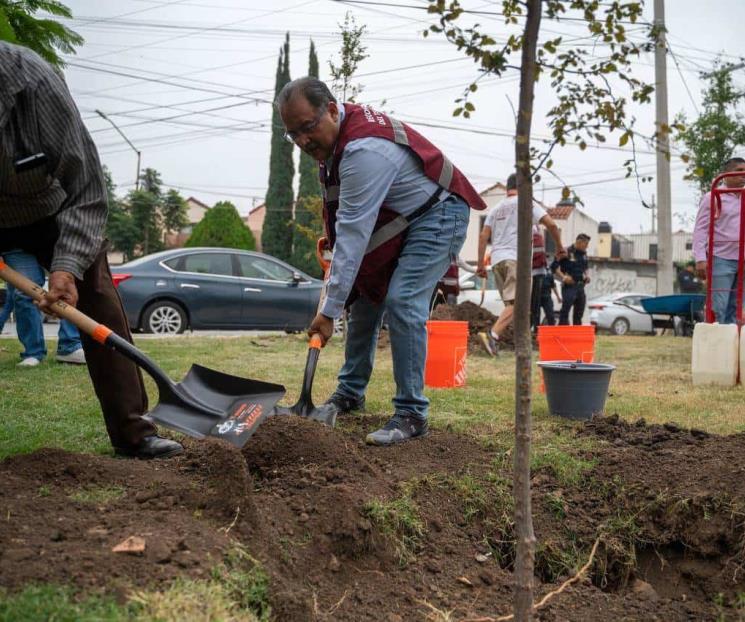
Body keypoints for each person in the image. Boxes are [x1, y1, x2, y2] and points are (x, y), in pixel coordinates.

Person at [277, 77, 486, 446]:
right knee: (364, 297)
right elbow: (348, 226)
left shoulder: (362, 150)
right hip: (400, 220)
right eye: (293, 134)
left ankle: (411, 413)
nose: (303, 141)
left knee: (402, 300)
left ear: (330, 109)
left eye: (308, 128)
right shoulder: (335, 143)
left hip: (437, 215)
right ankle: (350, 391)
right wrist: (340, 289)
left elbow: (354, 235)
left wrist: (327, 312)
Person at [0, 41, 181, 458]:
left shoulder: (36, 84)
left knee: (98, 296)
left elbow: (87, 190)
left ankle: (134, 431)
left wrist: (66, 267)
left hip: (54, 206)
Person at [476, 174, 565, 355]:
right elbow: (552, 225)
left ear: (508, 187)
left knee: (512, 305)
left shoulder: (496, 209)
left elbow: (483, 236)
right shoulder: (526, 203)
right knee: (518, 303)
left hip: (497, 261)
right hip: (515, 259)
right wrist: (560, 247)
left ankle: (519, 344)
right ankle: (492, 336)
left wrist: (479, 265)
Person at [1, 249, 86, 367]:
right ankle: (33, 352)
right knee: (24, 293)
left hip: (56, 238)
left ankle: (70, 345)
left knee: (67, 288)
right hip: (15, 240)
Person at [692, 157, 745, 324]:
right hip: (721, 258)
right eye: (738, 171)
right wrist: (700, 258)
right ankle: (717, 346)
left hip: (743, 257)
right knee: (719, 307)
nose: (743, 175)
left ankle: (732, 347)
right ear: (725, 175)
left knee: (737, 308)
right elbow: (701, 229)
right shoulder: (712, 197)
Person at [552, 233, 592, 325]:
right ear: (579, 242)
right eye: (586, 244)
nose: (587, 246)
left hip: (580, 287)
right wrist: (563, 277)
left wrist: (587, 275)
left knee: (579, 314)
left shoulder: (584, 254)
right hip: (569, 286)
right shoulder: (565, 251)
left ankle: (575, 336)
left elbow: (585, 267)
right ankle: (562, 333)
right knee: (565, 312)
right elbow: (554, 266)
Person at [530, 225, 547, 333]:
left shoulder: (534, 232)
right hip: (537, 272)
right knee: (535, 305)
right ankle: (534, 328)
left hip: (533, 273)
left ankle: (533, 329)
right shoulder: (538, 232)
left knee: (533, 305)